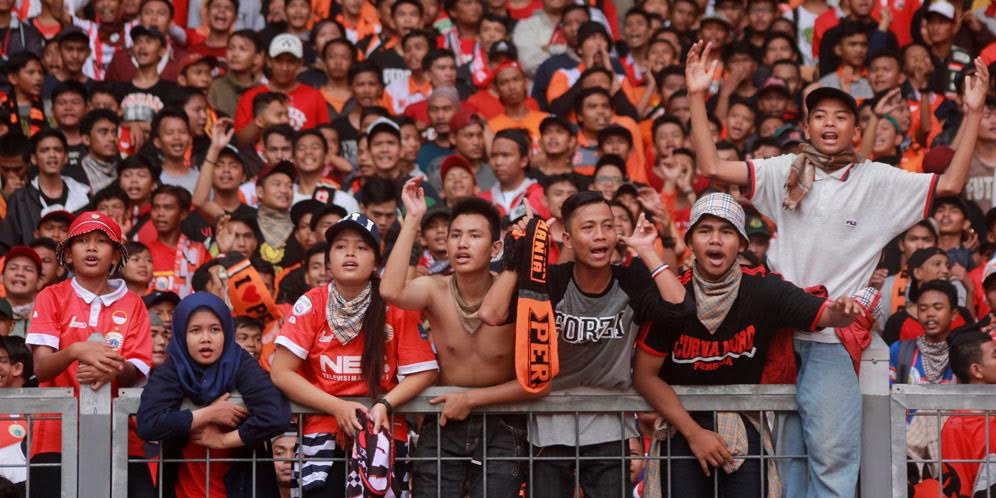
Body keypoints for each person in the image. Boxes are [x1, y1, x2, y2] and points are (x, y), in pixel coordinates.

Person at [684, 39, 989, 497]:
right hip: (779, 335)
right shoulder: (784, 170)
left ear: (855, 130)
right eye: (820, 116)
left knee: (831, 465)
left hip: (829, 340)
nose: (830, 124)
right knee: (787, 468)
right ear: (806, 125)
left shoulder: (879, 181)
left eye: (841, 116)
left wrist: (971, 112)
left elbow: (952, 182)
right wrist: (695, 95)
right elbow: (709, 164)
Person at [633, 193, 862, 497]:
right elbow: (644, 376)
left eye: (726, 232)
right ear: (690, 241)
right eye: (705, 231)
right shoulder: (671, 297)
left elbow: (825, 313)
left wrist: (842, 311)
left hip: (743, 421)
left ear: (741, 244)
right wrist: (695, 434)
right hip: (680, 424)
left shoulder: (764, 289)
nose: (715, 240)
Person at [479, 190, 689, 497]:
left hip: (609, 424)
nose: (600, 236)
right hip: (549, 427)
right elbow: (491, 313)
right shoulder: (552, 281)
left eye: (608, 226)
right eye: (588, 228)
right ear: (567, 238)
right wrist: (519, 253)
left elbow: (680, 309)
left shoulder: (630, 282)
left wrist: (647, 250)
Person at [381, 184, 538, 496]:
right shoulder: (434, 289)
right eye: (455, 235)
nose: (462, 244)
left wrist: (471, 399)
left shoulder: (517, 295)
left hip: (504, 422)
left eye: (474, 236)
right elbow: (391, 291)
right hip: (445, 420)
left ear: (496, 249)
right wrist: (413, 219)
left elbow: (535, 380)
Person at [270, 213, 439, 497]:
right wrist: (337, 407)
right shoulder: (311, 303)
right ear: (328, 262)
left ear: (376, 261)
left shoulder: (395, 305)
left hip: (383, 435)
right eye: (340, 247)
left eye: (362, 247)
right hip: (321, 434)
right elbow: (280, 372)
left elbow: (426, 371)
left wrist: (384, 404)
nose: (350, 253)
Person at [26, 211, 153, 498]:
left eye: (101, 241)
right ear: (68, 255)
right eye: (82, 241)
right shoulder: (51, 296)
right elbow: (42, 368)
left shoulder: (134, 304)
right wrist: (75, 351)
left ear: (117, 255)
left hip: (120, 437)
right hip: (54, 436)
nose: (92, 247)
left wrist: (113, 370)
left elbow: (136, 371)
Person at [136, 291, 292, 498]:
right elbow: (148, 423)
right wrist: (209, 413)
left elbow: (276, 415)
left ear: (227, 332)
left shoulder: (240, 361)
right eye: (195, 330)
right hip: (184, 489)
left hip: (243, 488)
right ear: (182, 334)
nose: (206, 339)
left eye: (215, 330)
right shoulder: (174, 367)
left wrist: (222, 440)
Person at [0, 129, 90, 250]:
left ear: (65, 157)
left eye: (57, 150)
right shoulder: (19, 199)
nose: (52, 155)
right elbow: (7, 245)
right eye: (44, 150)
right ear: (33, 159)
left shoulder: (83, 195)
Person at [144, 186, 212, 297]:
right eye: (156, 208)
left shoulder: (198, 253)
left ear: (183, 214)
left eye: (168, 208)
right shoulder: (143, 253)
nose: (160, 213)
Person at [889, 279, 958, 386]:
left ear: (954, 314)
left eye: (938, 308)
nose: (930, 313)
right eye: (923, 308)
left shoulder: (964, 353)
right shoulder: (899, 350)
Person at [1, 246, 42, 337]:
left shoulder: (47, 315)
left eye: (28, 269)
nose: (20, 273)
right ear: (2, 277)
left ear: (39, 282)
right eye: (13, 268)